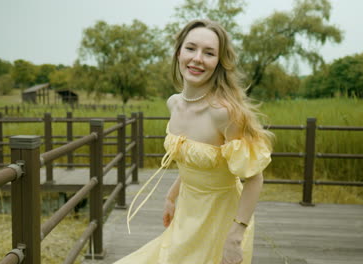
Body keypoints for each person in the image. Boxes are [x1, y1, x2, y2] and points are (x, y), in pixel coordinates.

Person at [115, 19, 274, 264]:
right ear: (179, 52)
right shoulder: (174, 104)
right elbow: (193, 159)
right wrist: (170, 197)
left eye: (209, 53)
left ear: (218, 63)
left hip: (221, 221)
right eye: (191, 48)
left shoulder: (224, 113)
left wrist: (235, 236)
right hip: (187, 212)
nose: (198, 58)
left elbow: (254, 178)